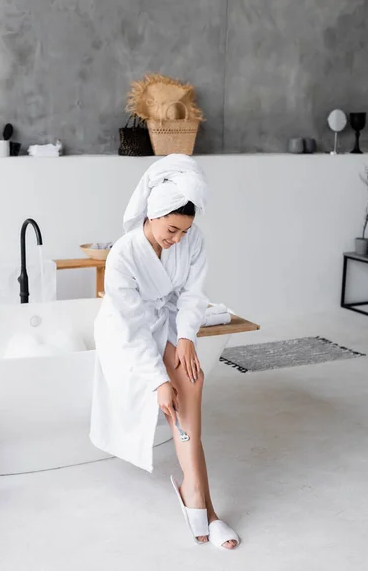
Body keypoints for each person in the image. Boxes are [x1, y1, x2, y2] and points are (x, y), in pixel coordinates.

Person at [90, 154, 240, 550]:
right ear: (153, 213)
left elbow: (193, 293)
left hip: (173, 321)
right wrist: (157, 379)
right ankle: (205, 508)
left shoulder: (193, 240)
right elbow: (132, 326)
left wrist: (187, 336)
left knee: (191, 379)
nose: (178, 239)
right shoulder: (123, 255)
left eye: (185, 231)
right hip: (126, 332)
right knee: (173, 391)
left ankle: (196, 495)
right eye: (172, 230)